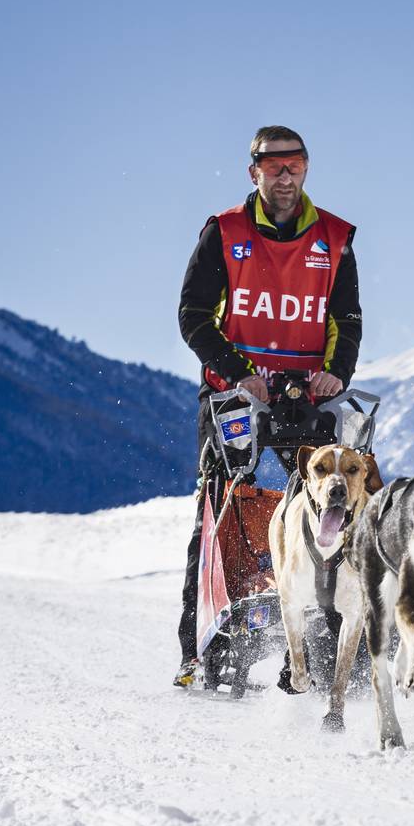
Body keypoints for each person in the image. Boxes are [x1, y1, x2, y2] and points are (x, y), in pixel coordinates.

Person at [172, 125, 363, 686]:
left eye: (295, 164)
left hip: (309, 395)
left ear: (306, 168)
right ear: (253, 171)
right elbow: (193, 316)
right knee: (220, 501)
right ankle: (198, 645)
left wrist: (336, 374)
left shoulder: (335, 238)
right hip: (237, 393)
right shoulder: (224, 232)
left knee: (336, 497)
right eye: (273, 166)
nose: (285, 175)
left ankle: (337, 622)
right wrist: (239, 374)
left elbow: (346, 321)